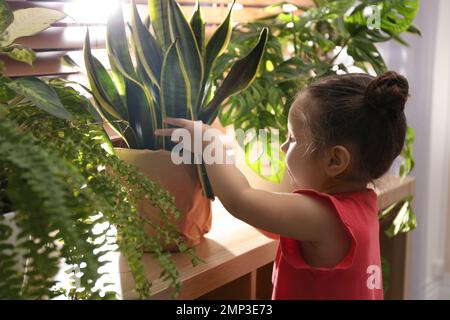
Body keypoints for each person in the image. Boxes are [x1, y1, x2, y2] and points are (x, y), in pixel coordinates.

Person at [155, 71, 409, 300]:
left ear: (335, 160)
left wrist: (209, 144)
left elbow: (241, 200)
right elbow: (276, 218)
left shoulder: (325, 218)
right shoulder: (361, 203)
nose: (284, 146)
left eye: (293, 138)